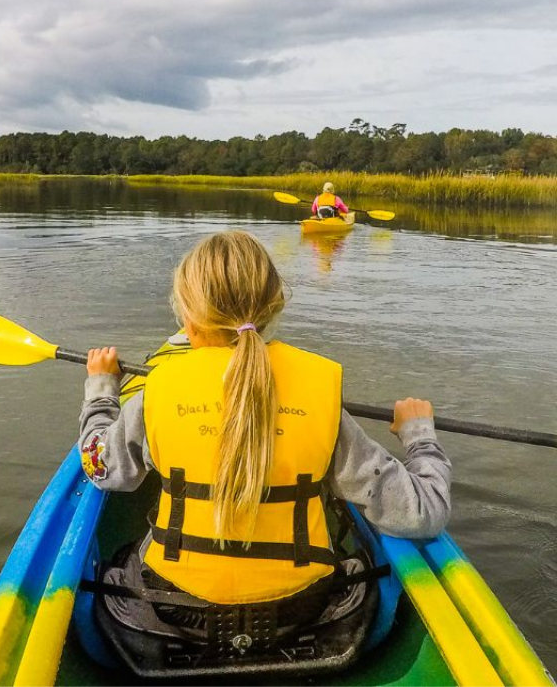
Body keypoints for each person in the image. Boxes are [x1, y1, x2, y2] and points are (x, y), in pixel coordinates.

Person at [79, 231, 450, 610]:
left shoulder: (155, 393)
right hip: (303, 611)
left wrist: (102, 392)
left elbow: (101, 468)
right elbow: (423, 513)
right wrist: (418, 436)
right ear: (274, 310)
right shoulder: (319, 397)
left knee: (116, 562)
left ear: (188, 323)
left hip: (173, 608)